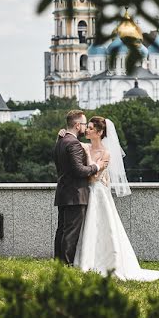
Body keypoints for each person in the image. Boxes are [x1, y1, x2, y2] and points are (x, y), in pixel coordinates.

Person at [73, 116, 159, 281]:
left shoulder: (105, 153)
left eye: (90, 128)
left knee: (104, 226)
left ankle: (106, 262)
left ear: (99, 132)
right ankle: (85, 259)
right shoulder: (84, 146)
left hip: (99, 194)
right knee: (86, 226)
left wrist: (89, 160)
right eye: (87, 127)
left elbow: (94, 177)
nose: (87, 130)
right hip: (87, 192)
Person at [53, 109, 109, 265]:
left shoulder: (60, 142)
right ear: (77, 125)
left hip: (63, 192)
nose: (85, 128)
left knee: (62, 230)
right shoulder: (74, 144)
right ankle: (66, 265)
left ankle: (58, 263)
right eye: (85, 125)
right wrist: (96, 167)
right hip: (75, 194)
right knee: (70, 233)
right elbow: (79, 170)